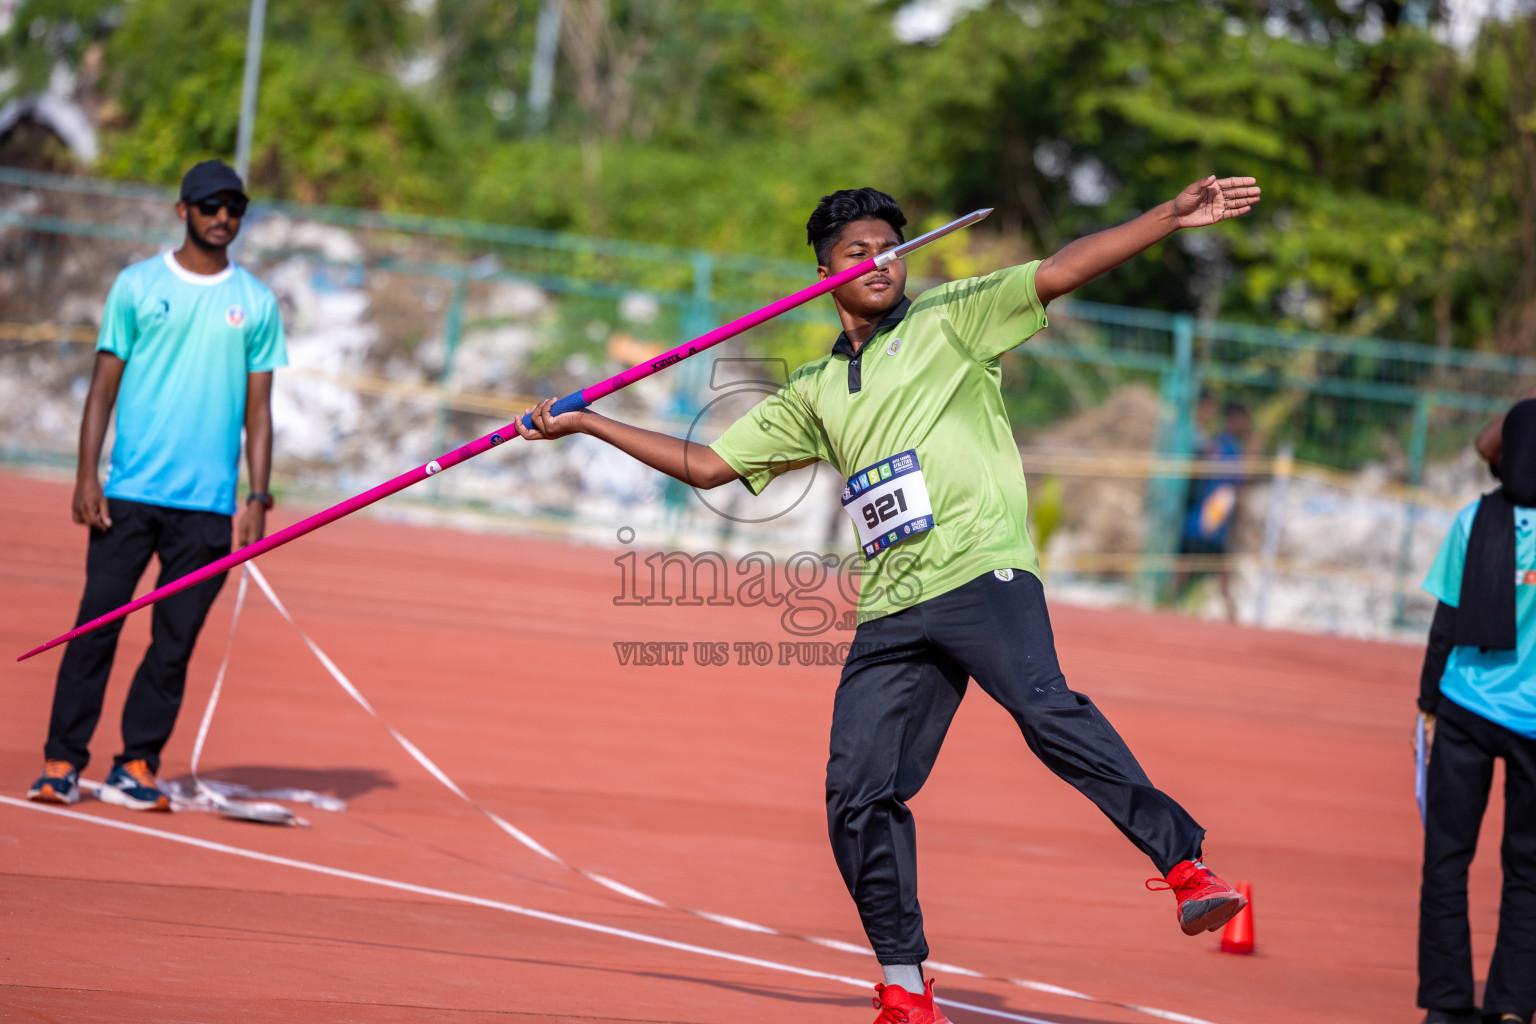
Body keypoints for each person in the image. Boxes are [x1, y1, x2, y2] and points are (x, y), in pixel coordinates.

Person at [516, 177, 1260, 1024]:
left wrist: (1167, 215)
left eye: (890, 248)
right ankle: (907, 989)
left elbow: (1061, 270)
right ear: (824, 273)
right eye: (856, 252)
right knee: (855, 793)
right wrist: (590, 423)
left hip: (983, 573)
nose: (880, 262)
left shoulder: (956, 317)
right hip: (893, 607)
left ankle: (1185, 869)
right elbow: (709, 466)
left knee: (1049, 713)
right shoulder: (813, 391)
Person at [27, 160, 286, 812]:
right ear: (183, 211)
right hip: (130, 495)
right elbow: (102, 387)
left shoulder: (255, 302)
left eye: (234, 207)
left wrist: (257, 497)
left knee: (174, 643)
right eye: (209, 206)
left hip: (207, 509)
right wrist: (88, 474)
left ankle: (136, 765)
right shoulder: (137, 286)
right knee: (96, 629)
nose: (222, 217)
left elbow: (260, 412)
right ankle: (62, 761)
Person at [1416, 399, 1536, 1024]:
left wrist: (1426, 705)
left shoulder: (1475, 521)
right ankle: (1514, 1006)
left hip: (1465, 705)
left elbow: (1446, 624)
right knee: (1530, 871)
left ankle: (1446, 1004)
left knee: (1447, 857)